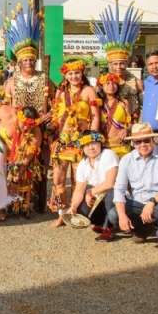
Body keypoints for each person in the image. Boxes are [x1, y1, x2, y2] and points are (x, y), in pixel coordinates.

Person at [104, 123, 158, 251]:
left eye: (146, 140)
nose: (142, 144)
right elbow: (119, 189)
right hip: (137, 202)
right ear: (133, 143)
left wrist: (152, 201)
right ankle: (143, 228)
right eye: (138, 141)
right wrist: (122, 216)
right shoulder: (127, 159)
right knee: (113, 215)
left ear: (153, 140)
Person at [48, 59, 100, 213]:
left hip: (80, 141)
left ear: (82, 73)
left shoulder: (88, 91)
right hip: (62, 141)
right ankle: (61, 212)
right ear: (65, 75)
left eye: (77, 73)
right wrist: (51, 136)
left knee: (79, 179)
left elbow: (95, 116)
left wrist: (91, 140)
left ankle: (76, 211)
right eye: (70, 73)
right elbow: (55, 115)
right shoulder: (60, 92)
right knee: (58, 178)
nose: (74, 76)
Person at [0, 103, 43, 220]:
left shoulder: (36, 134)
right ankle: (1, 209)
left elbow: (25, 161)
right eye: (24, 124)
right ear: (18, 117)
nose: (26, 128)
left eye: (29, 126)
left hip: (20, 160)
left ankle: (19, 208)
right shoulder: (6, 113)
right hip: (1, 155)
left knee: (19, 184)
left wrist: (15, 181)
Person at [52, 131, 118, 230]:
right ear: (82, 148)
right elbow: (79, 190)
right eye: (87, 145)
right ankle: (101, 222)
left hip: (116, 195)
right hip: (98, 195)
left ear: (100, 143)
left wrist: (91, 193)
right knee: (79, 210)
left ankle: (108, 227)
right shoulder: (83, 164)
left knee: (110, 192)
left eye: (94, 143)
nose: (91, 147)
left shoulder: (108, 154)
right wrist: (73, 206)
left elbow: (110, 183)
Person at [91, 0, 143, 115]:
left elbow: (142, 106)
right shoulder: (102, 82)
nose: (119, 67)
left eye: (122, 63)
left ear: (127, 63)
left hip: (129, 127)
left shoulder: (137, 83)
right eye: (115, 64)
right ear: (110, 64)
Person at [3, 3, 54, 118]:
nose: (29, 63)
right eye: (25, 60)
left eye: (31, 60)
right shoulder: (11, 82)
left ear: (35, 61)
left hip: (41, 126)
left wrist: (50, 114)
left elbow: (56, 103)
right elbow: (5, 106)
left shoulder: (46, 80)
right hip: (18, 128)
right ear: (19, 63)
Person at [96, 72, 133, 159]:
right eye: (108, 83)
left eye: (114, 83)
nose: (111, 86)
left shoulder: (124, 102)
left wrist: (126, 130)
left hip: (121, 145)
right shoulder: (98, 103)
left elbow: (131, 123)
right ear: (101, 85)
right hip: (103, 146)